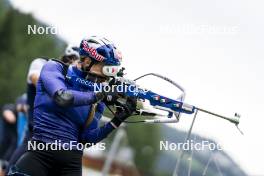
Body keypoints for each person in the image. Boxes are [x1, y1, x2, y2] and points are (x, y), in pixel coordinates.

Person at [8, 36, 136, 176]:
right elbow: (62, 97)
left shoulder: (96, 92)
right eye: (105, 69)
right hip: (40, 154)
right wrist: (100, 94)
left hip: (71, 164)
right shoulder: (55, 68)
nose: (106, 78)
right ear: (87, 61)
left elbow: (86, 139)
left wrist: (116, 121)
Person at [7, 46, 81, 172]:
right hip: (35, 134)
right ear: (67, 58)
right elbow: (39, 80)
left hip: (61, 143)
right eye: (72, 60)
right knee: (13, 168)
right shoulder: (42, 63)